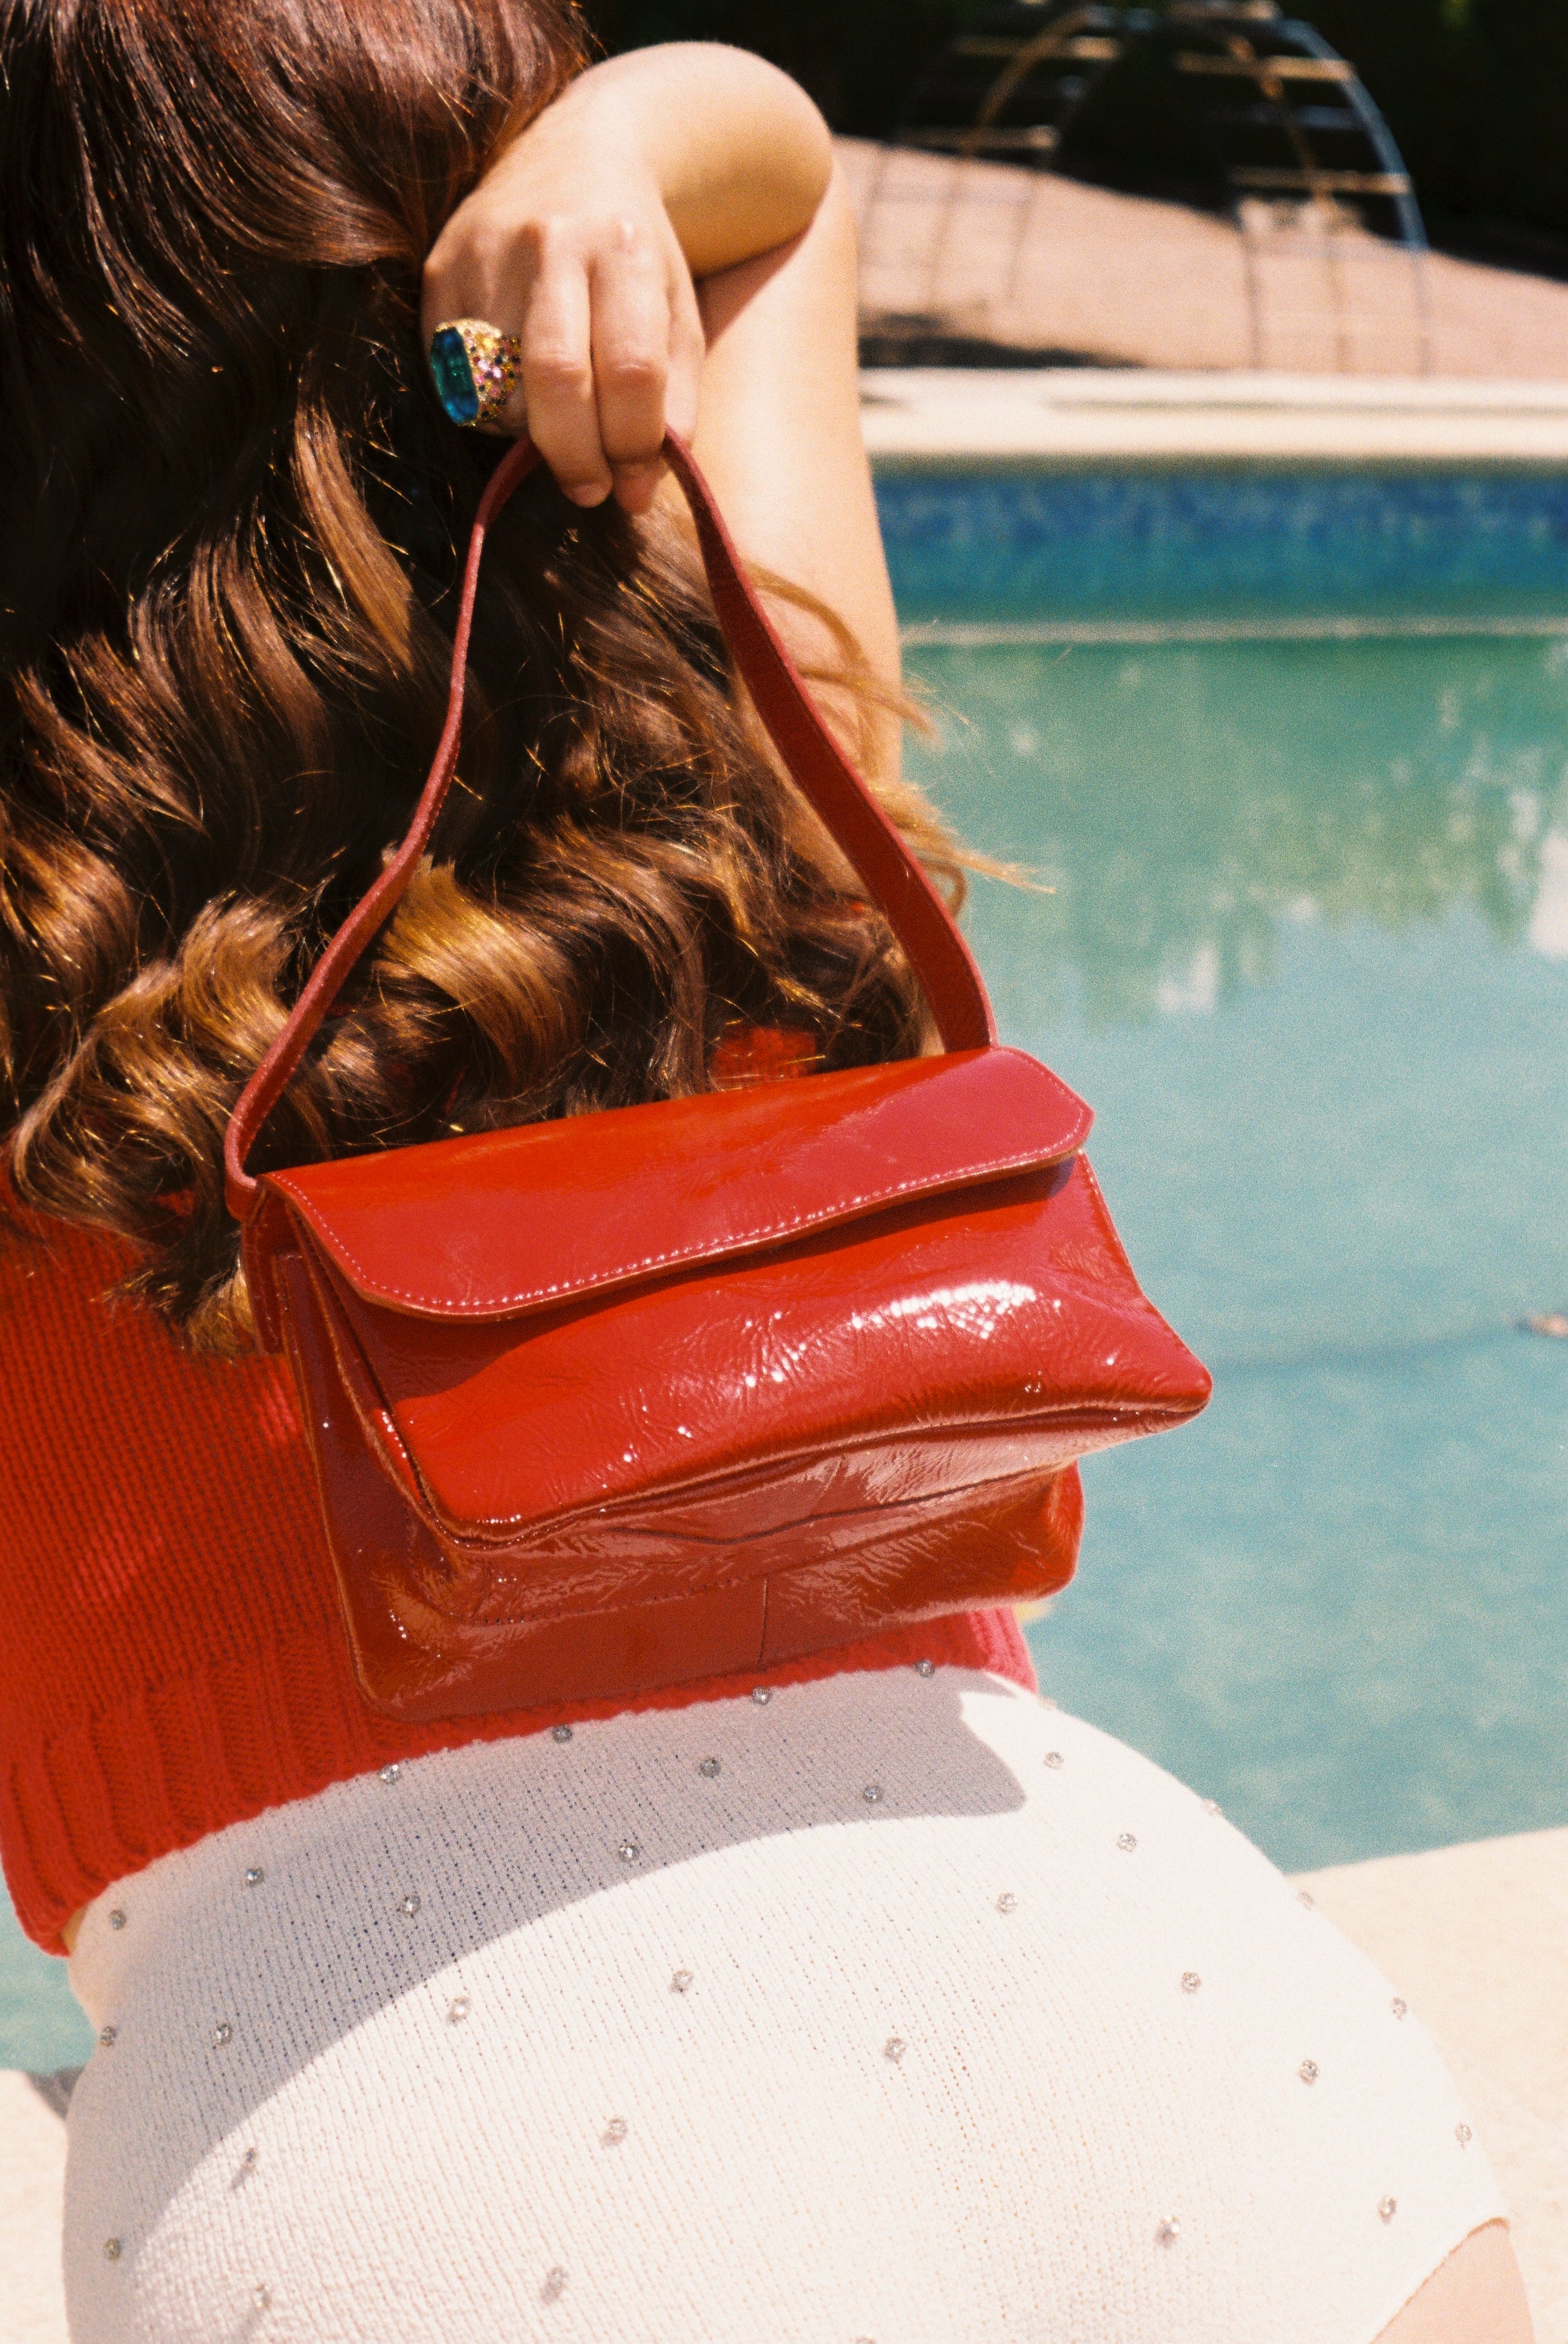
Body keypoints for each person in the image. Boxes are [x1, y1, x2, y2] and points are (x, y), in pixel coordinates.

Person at [0, 6, 1534, 2338]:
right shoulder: (722, 736)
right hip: (1193, 2072)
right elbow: (785, 198)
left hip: (405, 2191)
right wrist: (630, 134)